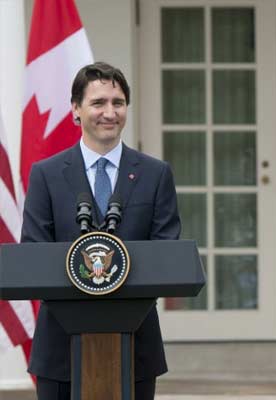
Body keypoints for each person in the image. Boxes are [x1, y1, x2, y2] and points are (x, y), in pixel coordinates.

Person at [21, 62, 180, 400]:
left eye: (118, 102)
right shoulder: (46, 175)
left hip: (135, 346)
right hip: (60, 350)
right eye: (98, 103)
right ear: (76, 110)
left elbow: (166, 251)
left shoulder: (155, 174)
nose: (110, 112)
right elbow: (33, 253)